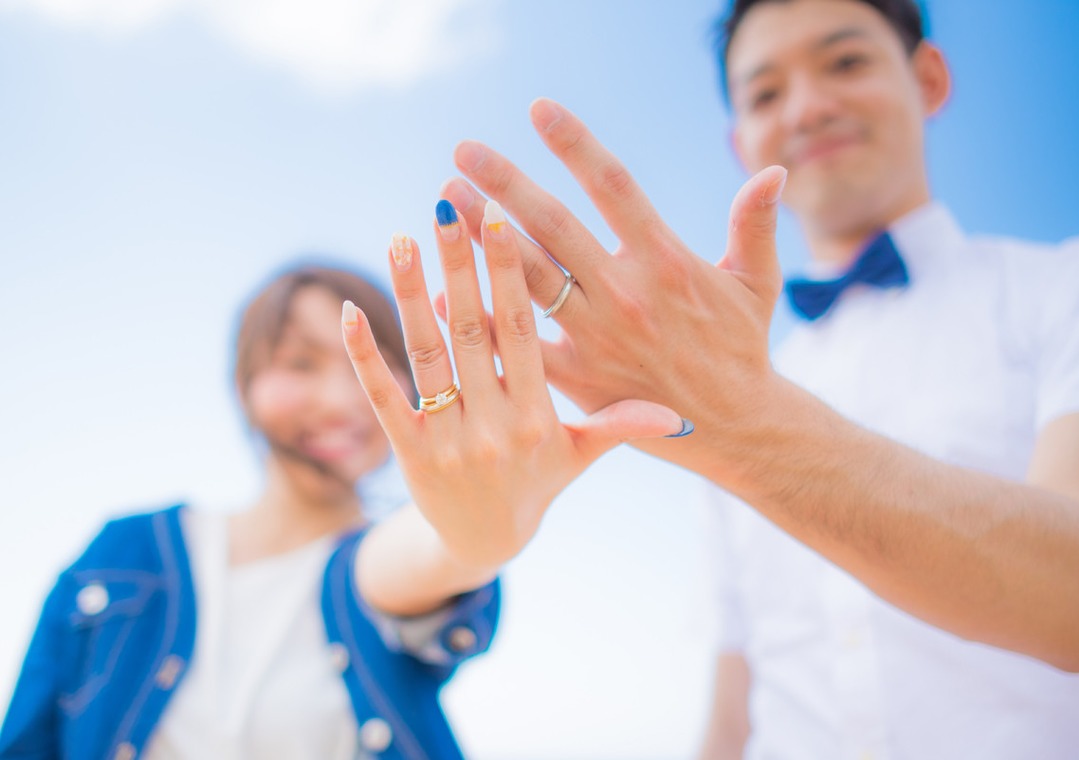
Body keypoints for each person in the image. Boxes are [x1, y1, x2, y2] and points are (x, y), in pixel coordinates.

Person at [435, 0, 1079, 757]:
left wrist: (747, 426)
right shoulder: (731, 382)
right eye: (767, 93)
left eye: (847, 62)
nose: (807, 108)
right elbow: (739, 689)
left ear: (929, 78)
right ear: (741, 143)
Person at [0, 219, 688, 758]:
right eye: (300, 363)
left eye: (371, 365)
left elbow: (431, 554)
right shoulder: (126, 553)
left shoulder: (379, 557)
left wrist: (483, 529)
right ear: (244, 387)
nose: (342, 398)